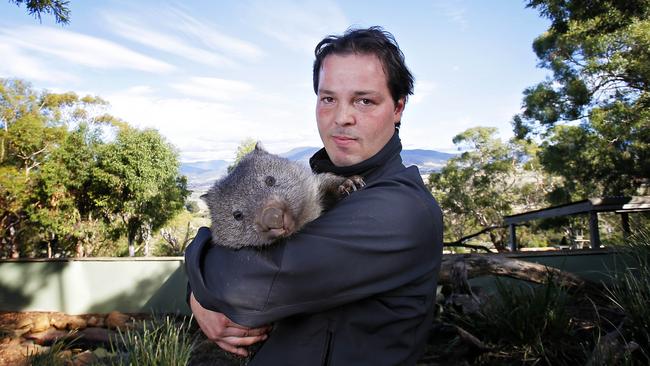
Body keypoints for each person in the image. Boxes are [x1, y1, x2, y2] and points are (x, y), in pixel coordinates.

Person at [185, 26, 443, 365]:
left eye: (364, 101)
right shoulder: (320, 184)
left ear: (397, 108)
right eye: (328, 99)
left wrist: (195, 268)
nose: (341, 118)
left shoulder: (400, 210)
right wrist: (197, 292)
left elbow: (241, 286)